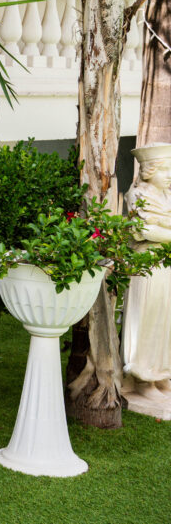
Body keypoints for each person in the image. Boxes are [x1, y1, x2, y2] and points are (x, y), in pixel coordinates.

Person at [122, 143, 171, 401]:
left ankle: (161, 372)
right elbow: (146, 231)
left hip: (166, 263)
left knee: (165, 318)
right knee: (148, 317)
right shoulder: (138, 195)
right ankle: (143, 376)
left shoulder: (167, 196)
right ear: (150, 171)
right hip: (147, 263)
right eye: (166, 171)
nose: (170, 176)